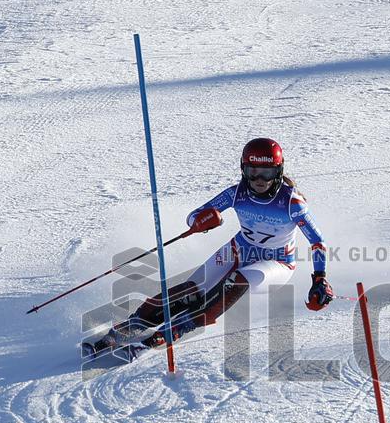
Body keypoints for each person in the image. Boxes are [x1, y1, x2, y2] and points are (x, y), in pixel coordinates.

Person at [84, 137, 334, 361]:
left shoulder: (292, 202)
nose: (259, 180)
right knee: (189, 291)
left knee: (236, 282)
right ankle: (124, 330)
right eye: (252, 171)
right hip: (239, 249)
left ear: (278, 172)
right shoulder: (236, 193)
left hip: (277, 263)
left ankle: (159, 338)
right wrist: (201, 222)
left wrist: (320, 278)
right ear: (243, 170)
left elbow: (318, 241)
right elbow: (195, 215)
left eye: (266, 173)